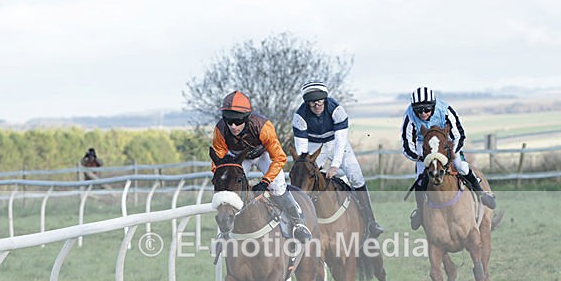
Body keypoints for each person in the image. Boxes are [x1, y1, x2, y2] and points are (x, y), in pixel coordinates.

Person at [212, 90, 312, 243]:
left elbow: (279, 157)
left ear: (246, 118)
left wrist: (265, 182)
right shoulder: (220, 130)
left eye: (238, 121)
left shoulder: (263, 126)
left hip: (263, 154)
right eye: (229, 121)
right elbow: (218, 163)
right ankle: (225, 230)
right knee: (228, 187)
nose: (233, 126)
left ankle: (298, 222)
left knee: (277, 186)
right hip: (238, 158)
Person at [293, 81, 384, 238]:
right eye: (312, 102)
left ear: (325, 99)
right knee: (305, 179)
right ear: (307, 102)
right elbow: (302, 152)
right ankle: (302, 223)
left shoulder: (337, 110)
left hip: (336, 143)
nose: (316, 105)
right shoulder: (299, 117)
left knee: (356, 177)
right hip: (315, 146)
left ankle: (370, 221)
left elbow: (341, 141)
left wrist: (335, 166)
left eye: (320, 101)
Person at [401, 86, 496, 230]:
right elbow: (407, 145)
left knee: (462, 167)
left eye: (427, 109)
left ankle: (480, 193)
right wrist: (422, 158)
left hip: (446, 142)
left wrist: (451, 153)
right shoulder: (409, 115)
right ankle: (420, 211)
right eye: (418, 110)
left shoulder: (445, 110)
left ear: (433, 106)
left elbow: (459, 135)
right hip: (424, 144)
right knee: (420, 178)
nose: (423, 113)